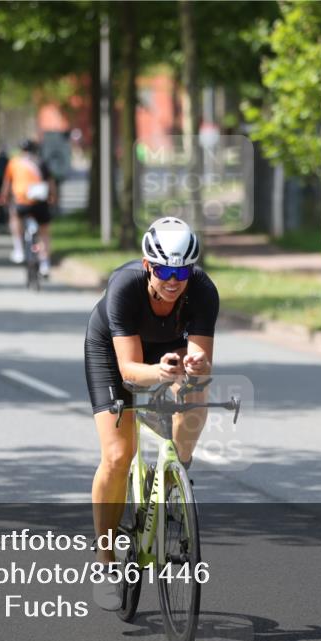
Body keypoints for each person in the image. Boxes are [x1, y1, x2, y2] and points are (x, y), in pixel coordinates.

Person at [82, 217, 218, 610]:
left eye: (182, 271)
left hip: (169, 348)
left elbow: (204, 359)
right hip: (114, 352)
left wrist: (194, 368)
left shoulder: (204, 291)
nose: (173, 280)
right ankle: (105, 560)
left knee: (197, 391)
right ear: (147, 267)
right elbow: (129, 371)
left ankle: (178, 473)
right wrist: (160, 373)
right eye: (163, 271)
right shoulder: (124, 287)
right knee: (118, 455)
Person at [0, 139, 56, 277]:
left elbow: (7, 183)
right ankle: (45, 264)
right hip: (40, 202)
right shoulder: (41, 162)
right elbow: (51, 182)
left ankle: (18, 249)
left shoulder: (14, 162)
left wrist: (3, 197)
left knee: (14, 216)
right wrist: (53, 197)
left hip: (22, 201)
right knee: (44, 233)